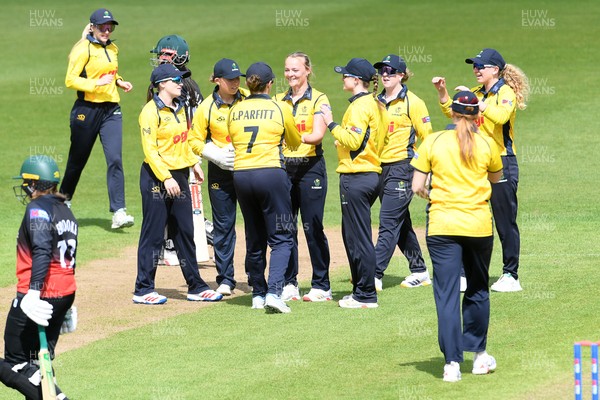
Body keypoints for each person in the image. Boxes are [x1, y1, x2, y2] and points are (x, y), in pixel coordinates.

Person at [411, 91, 503, 382]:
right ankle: (478, 357)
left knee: (447, 294)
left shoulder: (434, 141)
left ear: (452, 113)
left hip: (442, 227)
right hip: (478, 226)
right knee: (477, 289)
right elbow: (496, 177)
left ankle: (451, 363)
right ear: (478, 116)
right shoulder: (487, 142)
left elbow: (416, 186)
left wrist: (432, 194)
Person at [432, 48, 529, 292]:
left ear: (495, 70)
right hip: (475, 164)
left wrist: (479, 103)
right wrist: (443, 93)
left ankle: (510, 275)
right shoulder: (475, 93)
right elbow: (453, 112)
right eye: (474, 65)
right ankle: (466, 273)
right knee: (470, 215)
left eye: (480, 66)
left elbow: (501, 116)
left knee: (504, 220)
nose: (476, 69)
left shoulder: (505, 92)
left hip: (502, 161)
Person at [133, 63, 223, 305]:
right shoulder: (150, 112)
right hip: (156, 177)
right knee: (153, 234)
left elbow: (182, 141)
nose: (180, 83)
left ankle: (195, 285)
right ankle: (143, 289)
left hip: (180, 175)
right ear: (162, 84)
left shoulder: (180, 106)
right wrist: (166, 177)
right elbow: (150, 151)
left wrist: (193, 163)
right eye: (175, 80)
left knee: (185, 231)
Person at [0, 155, 77, 399]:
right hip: (64, 292)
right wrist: (64, 307)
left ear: (34, 184)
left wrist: (33, 293)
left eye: (26, 182)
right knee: (36, 362)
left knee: (15, 363)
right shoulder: (64, 209)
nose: (24, 187)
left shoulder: (37, 208)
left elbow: (43, 251)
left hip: (39, 294)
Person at [227, 62, 302, 313]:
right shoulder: (280, 107)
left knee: (255, 237)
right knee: (282, 237)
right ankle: (274, 292)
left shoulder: (235, 110)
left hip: (241, 175)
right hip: (270, 173)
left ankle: (257, 294)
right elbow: (294, 142)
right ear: (270, 84)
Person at [319, 58, 388, 309]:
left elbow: (354, 141)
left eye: (345, 75)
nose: (342, 78)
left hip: (357, 177)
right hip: (369, 174)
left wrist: (331, 123)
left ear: (357, 80)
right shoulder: (375, 104)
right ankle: (360, 290)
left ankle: (366, 294)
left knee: (358, 238)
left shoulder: (360, 107)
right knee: (354, 236)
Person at [62, 8, 134, 229]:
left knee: (115, 159)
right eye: (102, 26)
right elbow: (70, 80)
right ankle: (63, 202)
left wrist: (119, 81)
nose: (107, 30)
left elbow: (110, 72)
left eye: (110, 26)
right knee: (77, 160)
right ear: (92, 26)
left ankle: (119, 211)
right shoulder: (82, 49)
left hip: (111, 109)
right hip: (87, 110)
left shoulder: (113, 48)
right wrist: (95, 85)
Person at [273, 52, 332, 302]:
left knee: (313, 226)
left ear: (308, 70)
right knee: (286, 226)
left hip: (311, 168)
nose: (290, 75)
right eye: (287, 70)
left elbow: (318, 134)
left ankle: (321, 285)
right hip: (284, 168)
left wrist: (292, 137)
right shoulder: (278, 100)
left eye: (295, 70)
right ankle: (290, 283)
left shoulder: (319, 98)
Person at [372, 54, 432, 291]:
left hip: (403, 168)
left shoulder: (413, 102)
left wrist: (425, 172)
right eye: (382, 71)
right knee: (400, 223)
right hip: (379, 168)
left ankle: (374, 274)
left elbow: (428, 138)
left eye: (390, 71)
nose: (384, 74)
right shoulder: (375, 101)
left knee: (387, 222)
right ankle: (419, 271)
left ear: (401, 75)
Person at [190, 58, 247, 296]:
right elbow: (194, 139)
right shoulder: (206, 107)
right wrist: (213, 154)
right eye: (230, 79)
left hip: (247, 168)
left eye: (237, 78)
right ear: (217, 80)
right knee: (223, 226)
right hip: (220, 171)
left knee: (254, 223)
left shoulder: (248, 98)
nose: (235, 83)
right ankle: (225, 278)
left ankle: (255, 274)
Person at [148, 34, 204, 267]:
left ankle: (172, 245)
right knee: (167, 200)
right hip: (169, 151)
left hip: (184, 151)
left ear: (180, 57)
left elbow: (195, 121)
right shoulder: (163, 80)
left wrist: (193, 156)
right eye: (160, 54)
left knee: (180, 202)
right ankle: (169, 245)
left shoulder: (185, 85)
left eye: (167, 55)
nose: (162, 58)